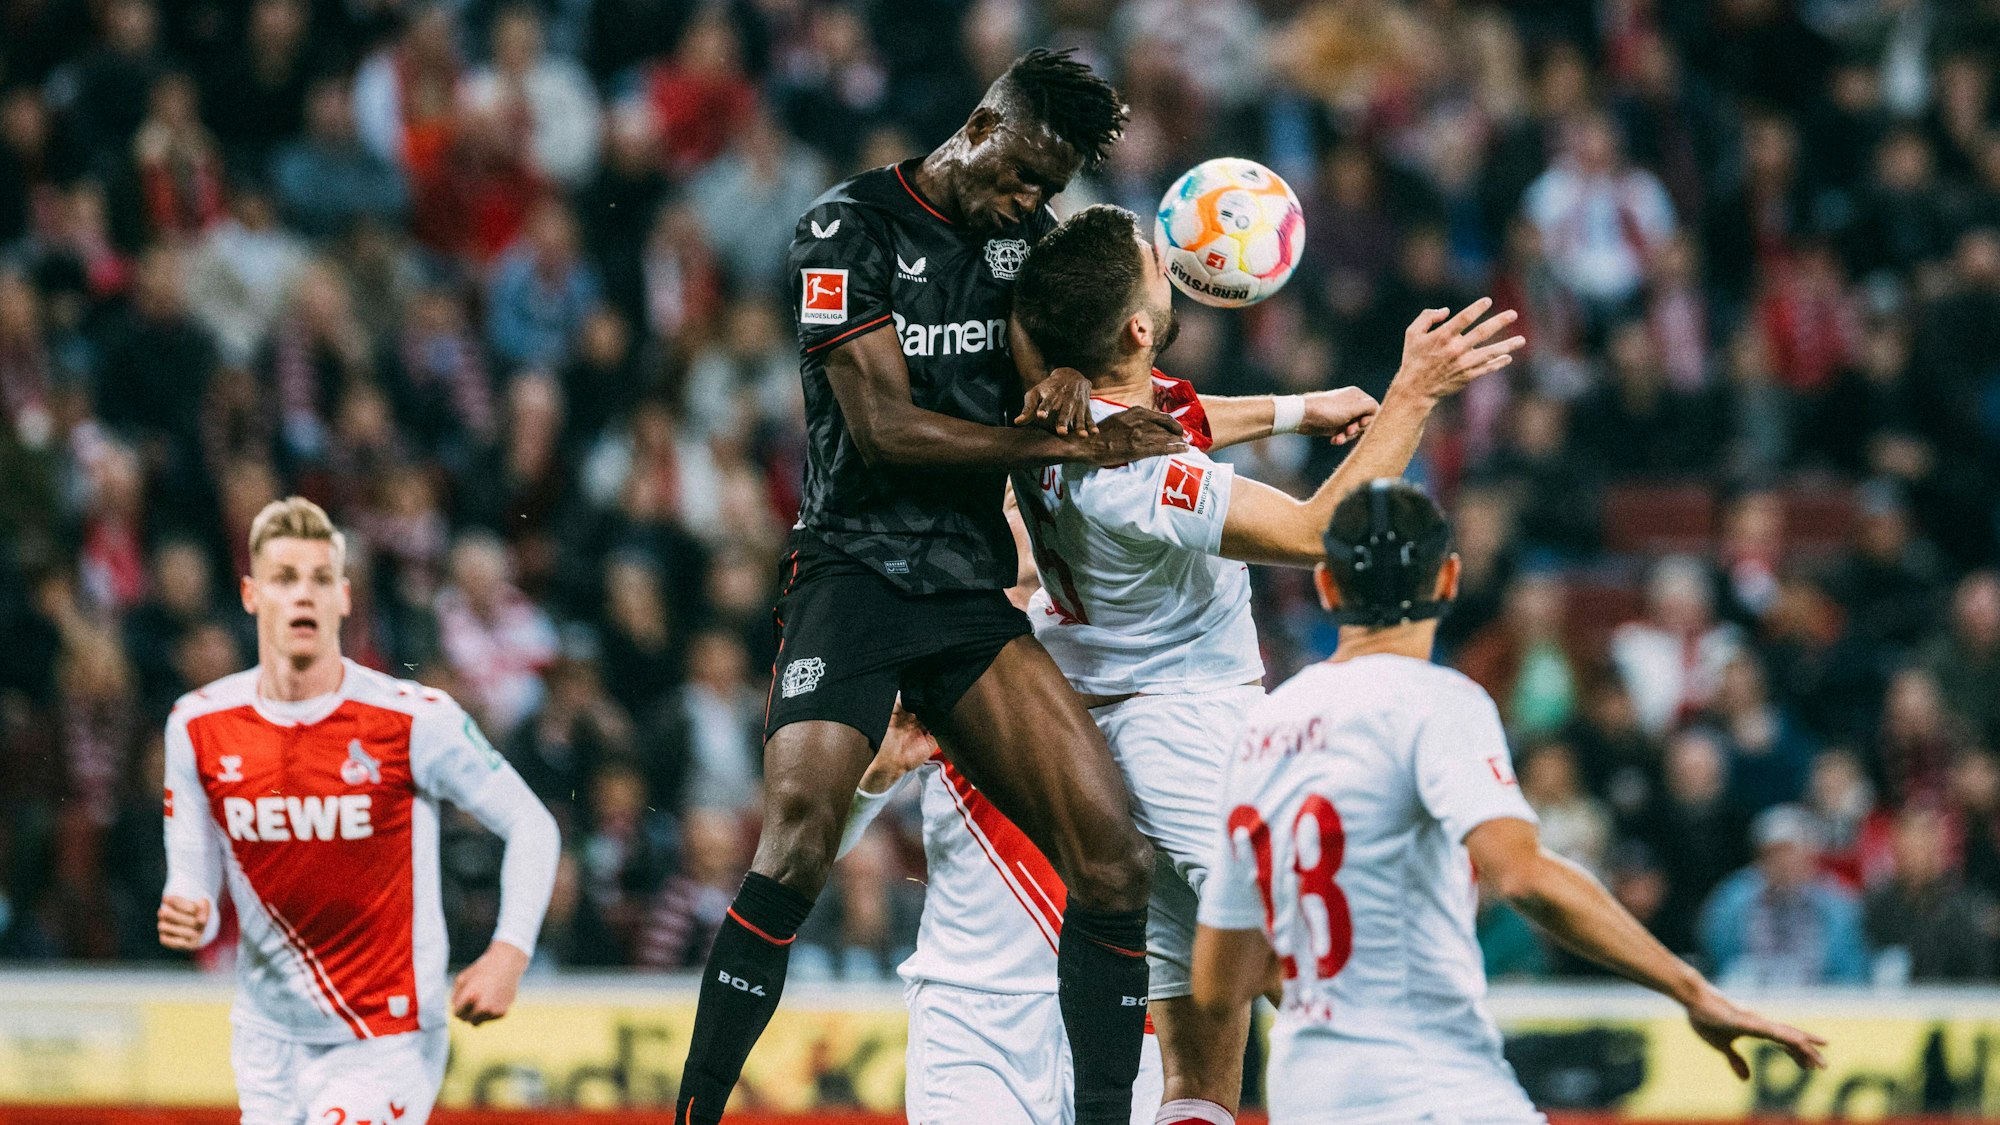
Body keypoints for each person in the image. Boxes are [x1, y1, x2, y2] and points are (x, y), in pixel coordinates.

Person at [675, 50, 1187, 1125]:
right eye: (1020, 177)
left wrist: (1058, 374)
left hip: (964, 588)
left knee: (1111, 860)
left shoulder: (1025, 241)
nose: (1027, 204)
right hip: (852, 570)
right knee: (799, 837)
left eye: (1047, 191)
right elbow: (884, 430)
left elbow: (1072, 363)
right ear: (982, 122)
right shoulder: (842, 230)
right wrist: (1046, 438)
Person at [1005, 203, 1522, 1125]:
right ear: (1134, 328)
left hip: (1105, 721)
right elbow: (1318, 535)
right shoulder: (1135, 472)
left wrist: (1301, 408)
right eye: (1156, 268)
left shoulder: (1062, 408)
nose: (1170, 262)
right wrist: (1413, 395)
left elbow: (1177, 410)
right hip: (1187, 731)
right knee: (1326, 982)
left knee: (1201, 1067)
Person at [1192, 481, 1826, 1125]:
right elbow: (1524, 876)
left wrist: (1329, 1009)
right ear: (1448, 580)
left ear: (1327, 587)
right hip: (1431, 1084)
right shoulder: (1439, 701)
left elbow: (1219, 981)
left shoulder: (1263, 728)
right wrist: (1690, 990)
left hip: (1309, 1091)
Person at [157, 497, 560, 1125]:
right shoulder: (198, 724)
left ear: (344, 599)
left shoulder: (413, 719)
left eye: (320, 580)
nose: (303, 596)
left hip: (386, 1036)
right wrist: (191, 912)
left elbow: (532, 824)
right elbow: (194, 893)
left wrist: (509, 952)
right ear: (251, 594)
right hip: (267, 1037)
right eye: (285, 579)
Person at [839, 710, 1165, 1125]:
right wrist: (875, 780)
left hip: (1129, 999)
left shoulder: (1144, 669)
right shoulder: (941, 670)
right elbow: (813, 841)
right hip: (972, 1014)